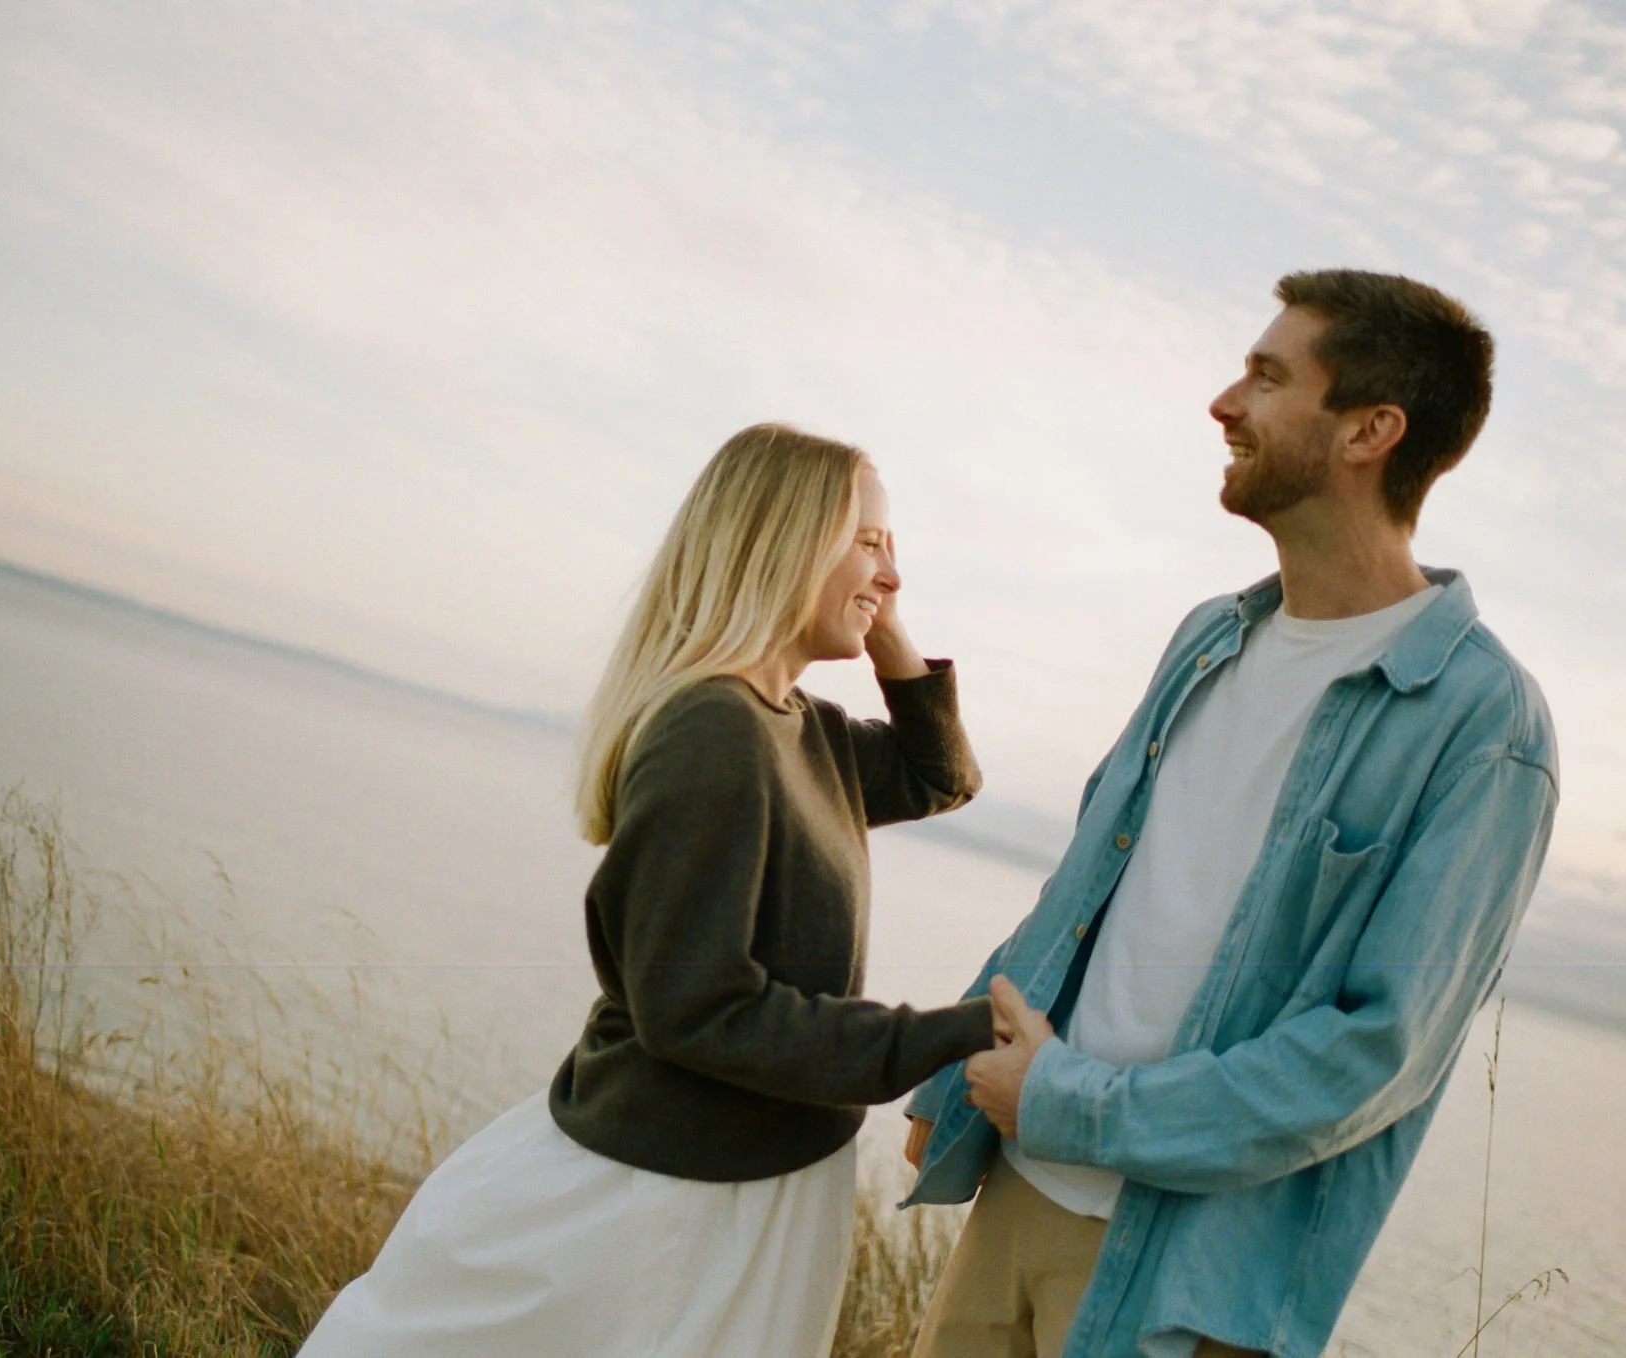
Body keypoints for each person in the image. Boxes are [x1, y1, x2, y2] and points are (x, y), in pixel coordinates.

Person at [901, 270, 1558, 1358]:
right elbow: (1084, 891)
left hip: (1183, 1276)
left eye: (1265, 376)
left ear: (1370, 430)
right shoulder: (1209, 636)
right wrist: (955, 1069)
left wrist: (1069, 1106)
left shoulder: (1484, 725)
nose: (1223, 403)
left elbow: (1371, 1051)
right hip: (1017, 1185)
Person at [298, 423, 998, 1358]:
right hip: (664, 1199)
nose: (893, 571)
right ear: (786, 543)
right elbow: (699, 1010)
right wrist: (955, 1033)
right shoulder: (713, 730)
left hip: (757, 1183)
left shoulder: (805, 729)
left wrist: (881, 615)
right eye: (868, 541)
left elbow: (941, 775)